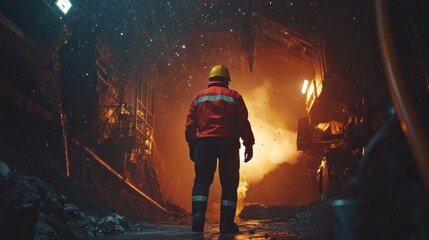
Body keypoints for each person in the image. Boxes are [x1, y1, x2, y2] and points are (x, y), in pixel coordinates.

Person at [185, 64, 255, 234]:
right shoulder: (234, 96)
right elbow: (242, 122)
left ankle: (198, 220)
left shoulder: (198, 97)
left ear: (211, 79)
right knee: (229, 184)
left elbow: (190, 125)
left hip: (205, 143)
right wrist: (248, 143)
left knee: (202, 183)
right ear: (226, 80)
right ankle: (226, 225)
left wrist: (192, 145)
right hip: (228, 144)